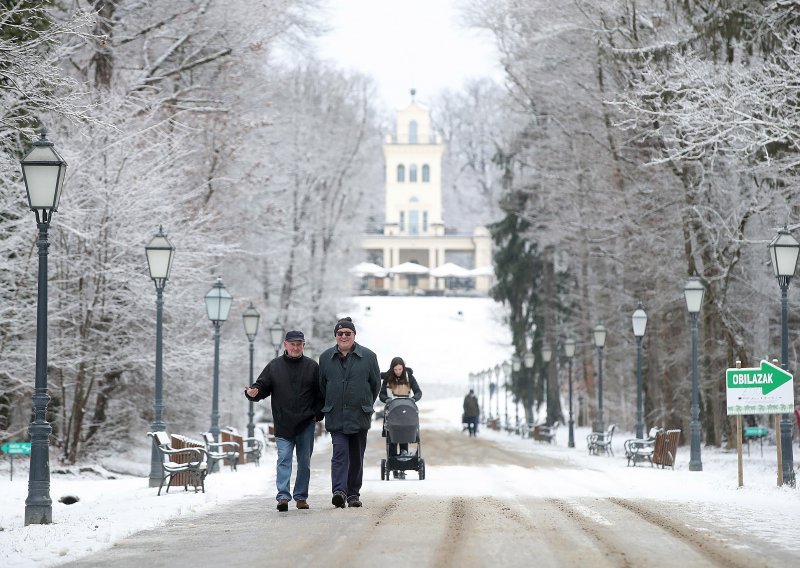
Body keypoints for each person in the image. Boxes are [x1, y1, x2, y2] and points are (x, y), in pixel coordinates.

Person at [244, 330, 323, 512]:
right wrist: (252, 393)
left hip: (306, 423)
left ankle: (301, 497)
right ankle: (283, 497)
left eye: (299, 344)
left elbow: (321, 394)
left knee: (304, 462)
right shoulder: (274, 366)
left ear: (304, 345)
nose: (295, 347)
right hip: (283, 422)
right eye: (292, 344)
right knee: (284, 459)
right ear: (285, 345)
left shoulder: (312, 367)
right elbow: (261, 386)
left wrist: (316, 415)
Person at [319, 317, 380, 509]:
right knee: (340, 453)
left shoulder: (369, 357)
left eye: (348, 333)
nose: (344, 336)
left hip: (359, 415)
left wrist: (365, 404)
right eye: (340, 333)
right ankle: (339, 491)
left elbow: (375, 385)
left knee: (356, 455)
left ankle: (353, 494)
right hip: (336, 415)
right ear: (335, 336)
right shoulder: (325, 358)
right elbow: (322, 385)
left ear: (354, 335)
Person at [379, 357, 421, 478]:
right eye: (396, 369)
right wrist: (386, 399)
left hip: (406, 410)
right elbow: (381, 394)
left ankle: (403, 467)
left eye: (400, 369)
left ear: (403, 368)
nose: (398, 371)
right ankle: (394, 466)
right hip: (392, 411)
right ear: (392, 369)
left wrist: (414, 399)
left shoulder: (409, 377)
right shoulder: (387, 378)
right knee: (392, 438)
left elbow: (418, 392)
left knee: (405, 435)